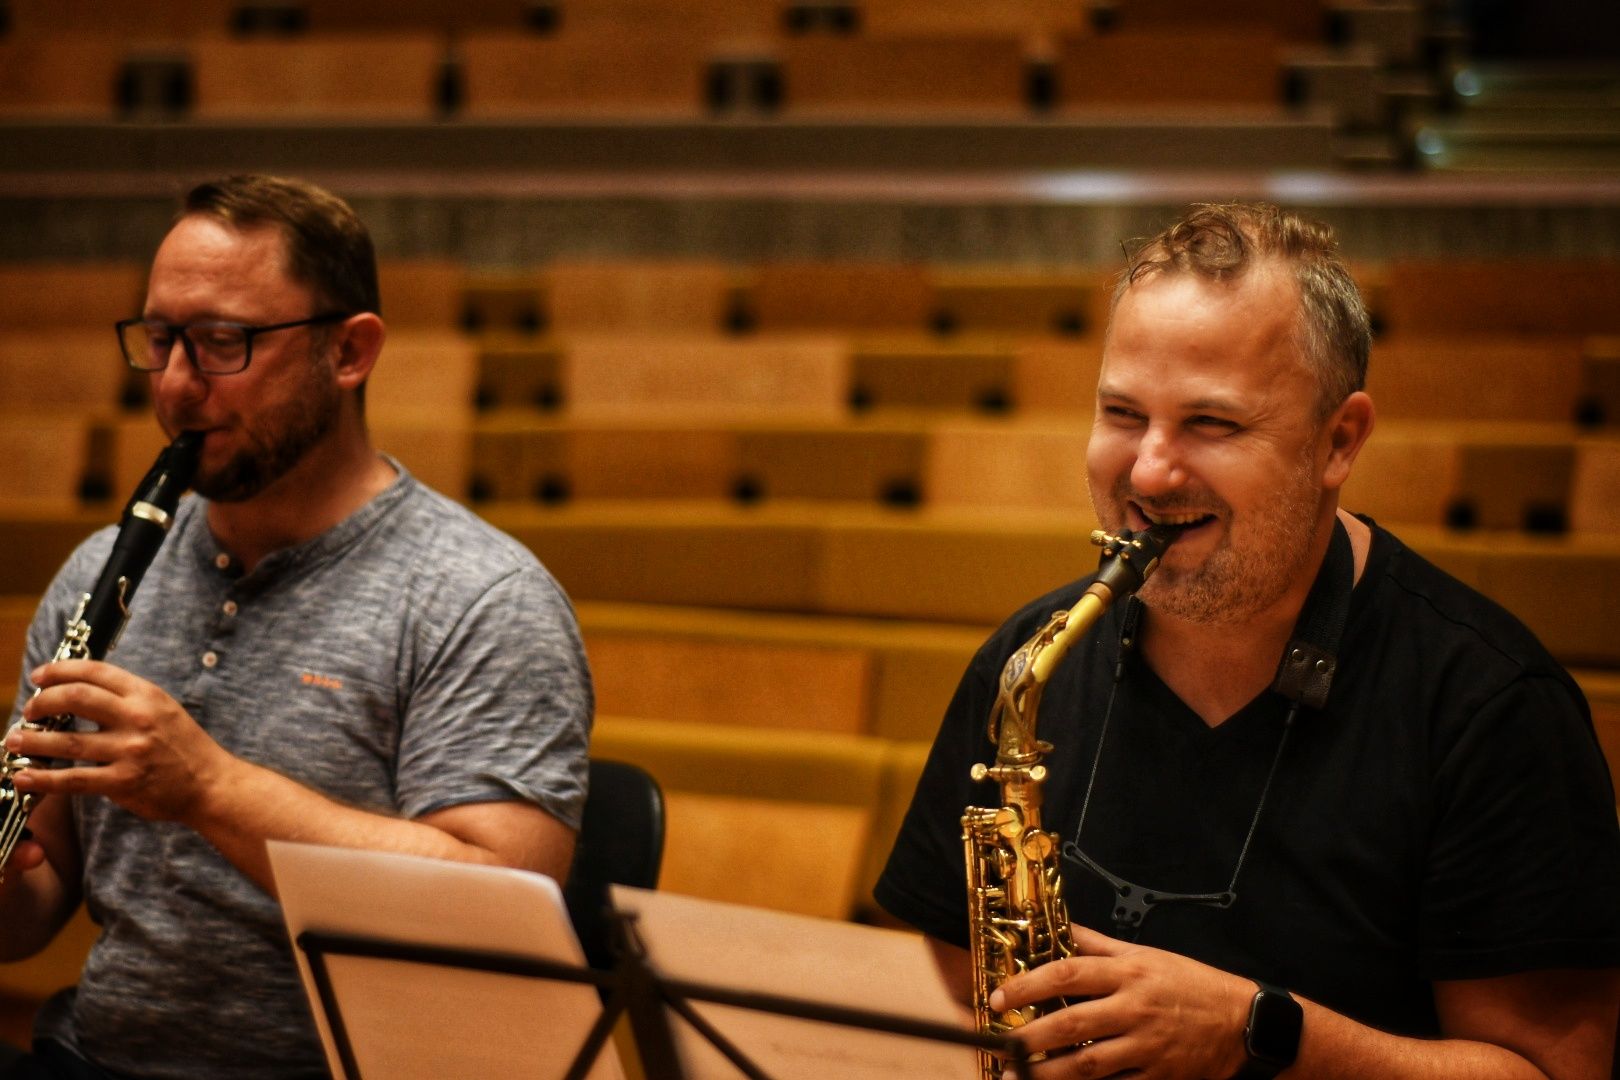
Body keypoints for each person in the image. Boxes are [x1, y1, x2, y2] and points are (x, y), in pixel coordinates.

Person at [876, 203, 1620, 1079]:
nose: (1149, 472)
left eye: (1211, 424)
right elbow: (949, 990)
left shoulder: (1491, 707)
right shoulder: (1027, 662)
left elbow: (1550, 1074)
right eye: (1123, 413)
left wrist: (1259, 1032)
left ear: (1338, 440)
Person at [0, 175, 593, 1079]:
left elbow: (500, 910)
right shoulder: (100, 571)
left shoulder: (480, 599)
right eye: (159, 341)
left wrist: (209, 787)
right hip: (94, 1058)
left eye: (223, 343)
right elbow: (34, 911)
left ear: (350, 351)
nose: (177, 385)